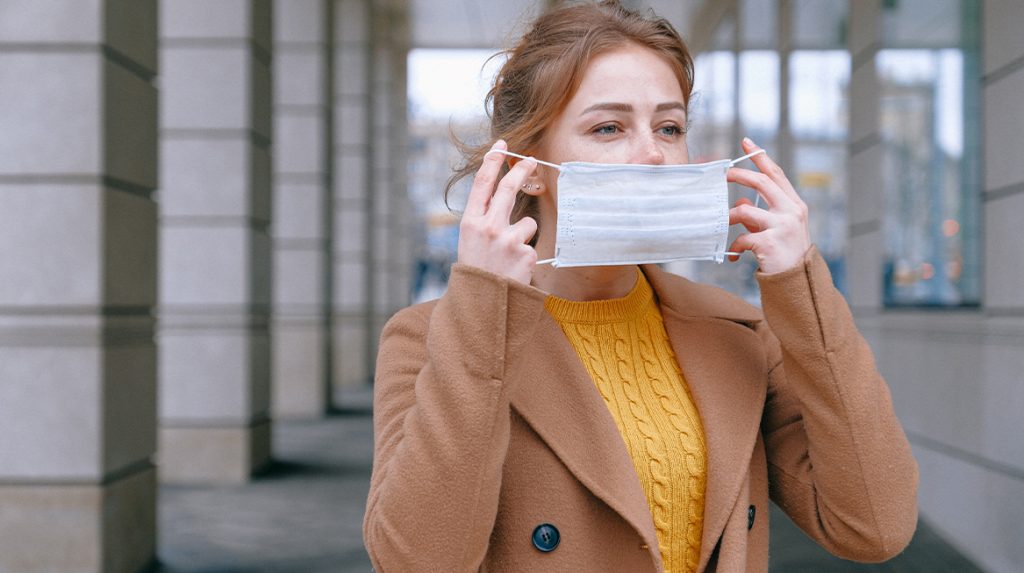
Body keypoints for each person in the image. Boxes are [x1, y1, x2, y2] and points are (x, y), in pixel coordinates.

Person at [363, 2, 919, 571]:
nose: (653, 154)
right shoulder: (429, 338)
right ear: (528, 163)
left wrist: (802, 289)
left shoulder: (737, 333)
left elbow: (875, 526)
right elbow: (417, 561)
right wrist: (484, 307)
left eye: (669, 127)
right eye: (608, 127)